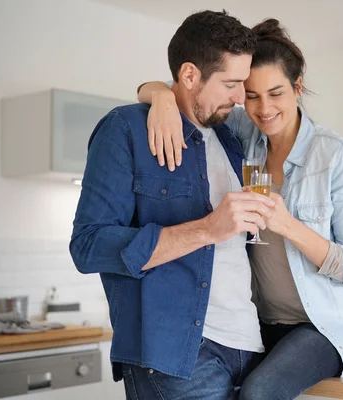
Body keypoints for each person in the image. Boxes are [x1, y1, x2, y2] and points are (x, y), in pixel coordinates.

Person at [137, 18, 343, 399]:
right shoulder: (242, 134)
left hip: (325, 325)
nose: (263, 108)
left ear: (297, 88)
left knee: (258, 393)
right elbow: (167, 87)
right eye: (251, 95)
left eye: (276, 93)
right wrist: (160, 97)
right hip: (262, 321)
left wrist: (288, 225)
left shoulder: (335, 155)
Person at [70, 10, 278, 400]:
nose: (239, 98)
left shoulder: (231, 140)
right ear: (189, 75)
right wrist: (206, 229)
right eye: (231, 84)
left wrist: (159, 92)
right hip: (178, 356)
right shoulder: (125, 130)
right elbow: (88, 245)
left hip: (248, 348)